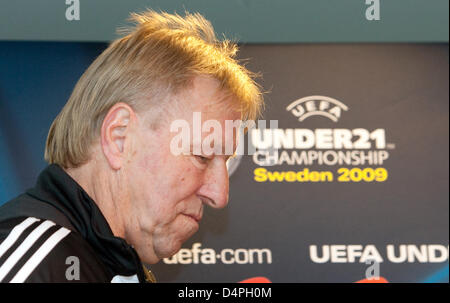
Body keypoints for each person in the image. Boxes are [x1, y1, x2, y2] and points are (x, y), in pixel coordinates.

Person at [0, 10, 263, 283]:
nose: (220, 195)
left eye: (227, 160)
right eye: (202, 155)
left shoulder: (115, 267)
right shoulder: (33, 267)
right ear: (119, 137)